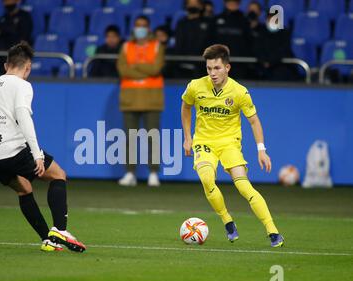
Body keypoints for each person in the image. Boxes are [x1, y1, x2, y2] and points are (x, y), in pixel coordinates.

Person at [0, 41, 86, 253]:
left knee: (24, 189)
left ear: (5, 65)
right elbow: (23, 116)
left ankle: (48, 241)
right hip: (13, 150)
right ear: (27, 68)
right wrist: (36, 154)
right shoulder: (22, 85)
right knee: (58, 175)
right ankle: (60, 230)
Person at [180, 44, 284, 247]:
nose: (212, 73)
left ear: (227, 67)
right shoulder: (195, 86)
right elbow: (185, 107)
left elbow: (254, 121)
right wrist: (187, 137)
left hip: (229, 144)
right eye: (209, 68)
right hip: (204, 142)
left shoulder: (239, 92)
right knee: (207, 179)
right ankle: (227, 220)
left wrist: (262, 150)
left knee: (244, 186)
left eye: (217, 68)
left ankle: (273, 231)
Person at [116, 15, 165, 187]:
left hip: (152, 97)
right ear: (133, 28)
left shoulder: (157, 46)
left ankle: (153, 173)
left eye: (143, 25)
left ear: (149, 28)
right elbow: (122, 70)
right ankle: (130, 173)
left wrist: (135, 66)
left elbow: (156, 68)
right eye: (137, 25)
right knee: (129, 138)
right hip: (130, 98)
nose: (140, 29)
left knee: (153, 137)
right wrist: (145, 69)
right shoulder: (126, 46)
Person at [207, 0, 251, 79]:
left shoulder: (244, 21)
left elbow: (249, 42)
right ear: (225, 2)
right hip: (218, 64)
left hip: (239, 64)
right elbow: (209, 41)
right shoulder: (215, 20)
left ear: (238, 3)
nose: (232, 4)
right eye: (229, 1)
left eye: (234, 2)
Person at [173, 0, 212, 78]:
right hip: (182, 66)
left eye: (195, 4)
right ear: (186, 6)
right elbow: (178, 45)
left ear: (201, 6)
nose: (193, 6)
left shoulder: (209, 23)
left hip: (203, 67)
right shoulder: (181, 23)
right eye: (190, 3)